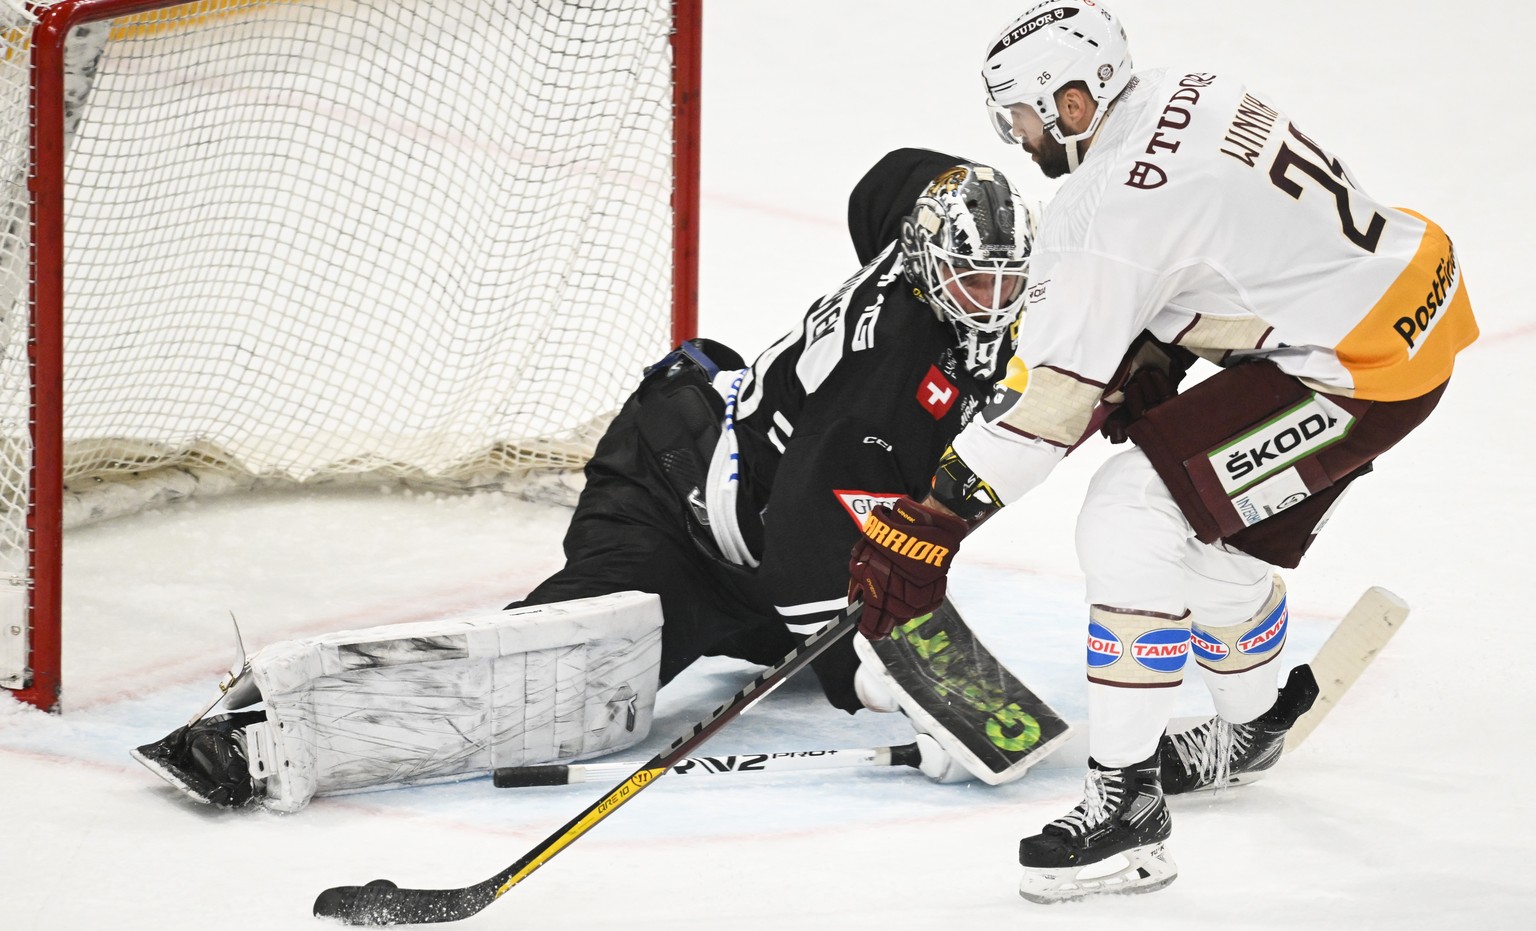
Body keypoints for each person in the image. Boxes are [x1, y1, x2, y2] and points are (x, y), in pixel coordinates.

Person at [133, 148, 1042, 811]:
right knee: (567, 681)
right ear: (929, 266)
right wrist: (886, 676)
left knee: (790, 622)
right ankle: (255, 734)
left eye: (1005, 283)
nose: (991, 303)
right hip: (676, 503)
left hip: (757, 514)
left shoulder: (930, 247)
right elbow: (813, 540)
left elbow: (885, 183)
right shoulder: (882, 383)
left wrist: (959, 192)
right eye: (972, 284)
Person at [847, 0, 1477, 904]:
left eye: (1022, 118)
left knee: (1129, 513)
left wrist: (934, 524)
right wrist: (1158, 345)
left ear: (1072, 103)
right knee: (1207, 549)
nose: (1020, 139)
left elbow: (1044, 413)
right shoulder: (1197, 89)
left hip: (1358, 370)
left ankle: (1125, 811)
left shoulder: (1102, 210)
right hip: (1414, 300)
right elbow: (1231, 244)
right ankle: (1255, 723)